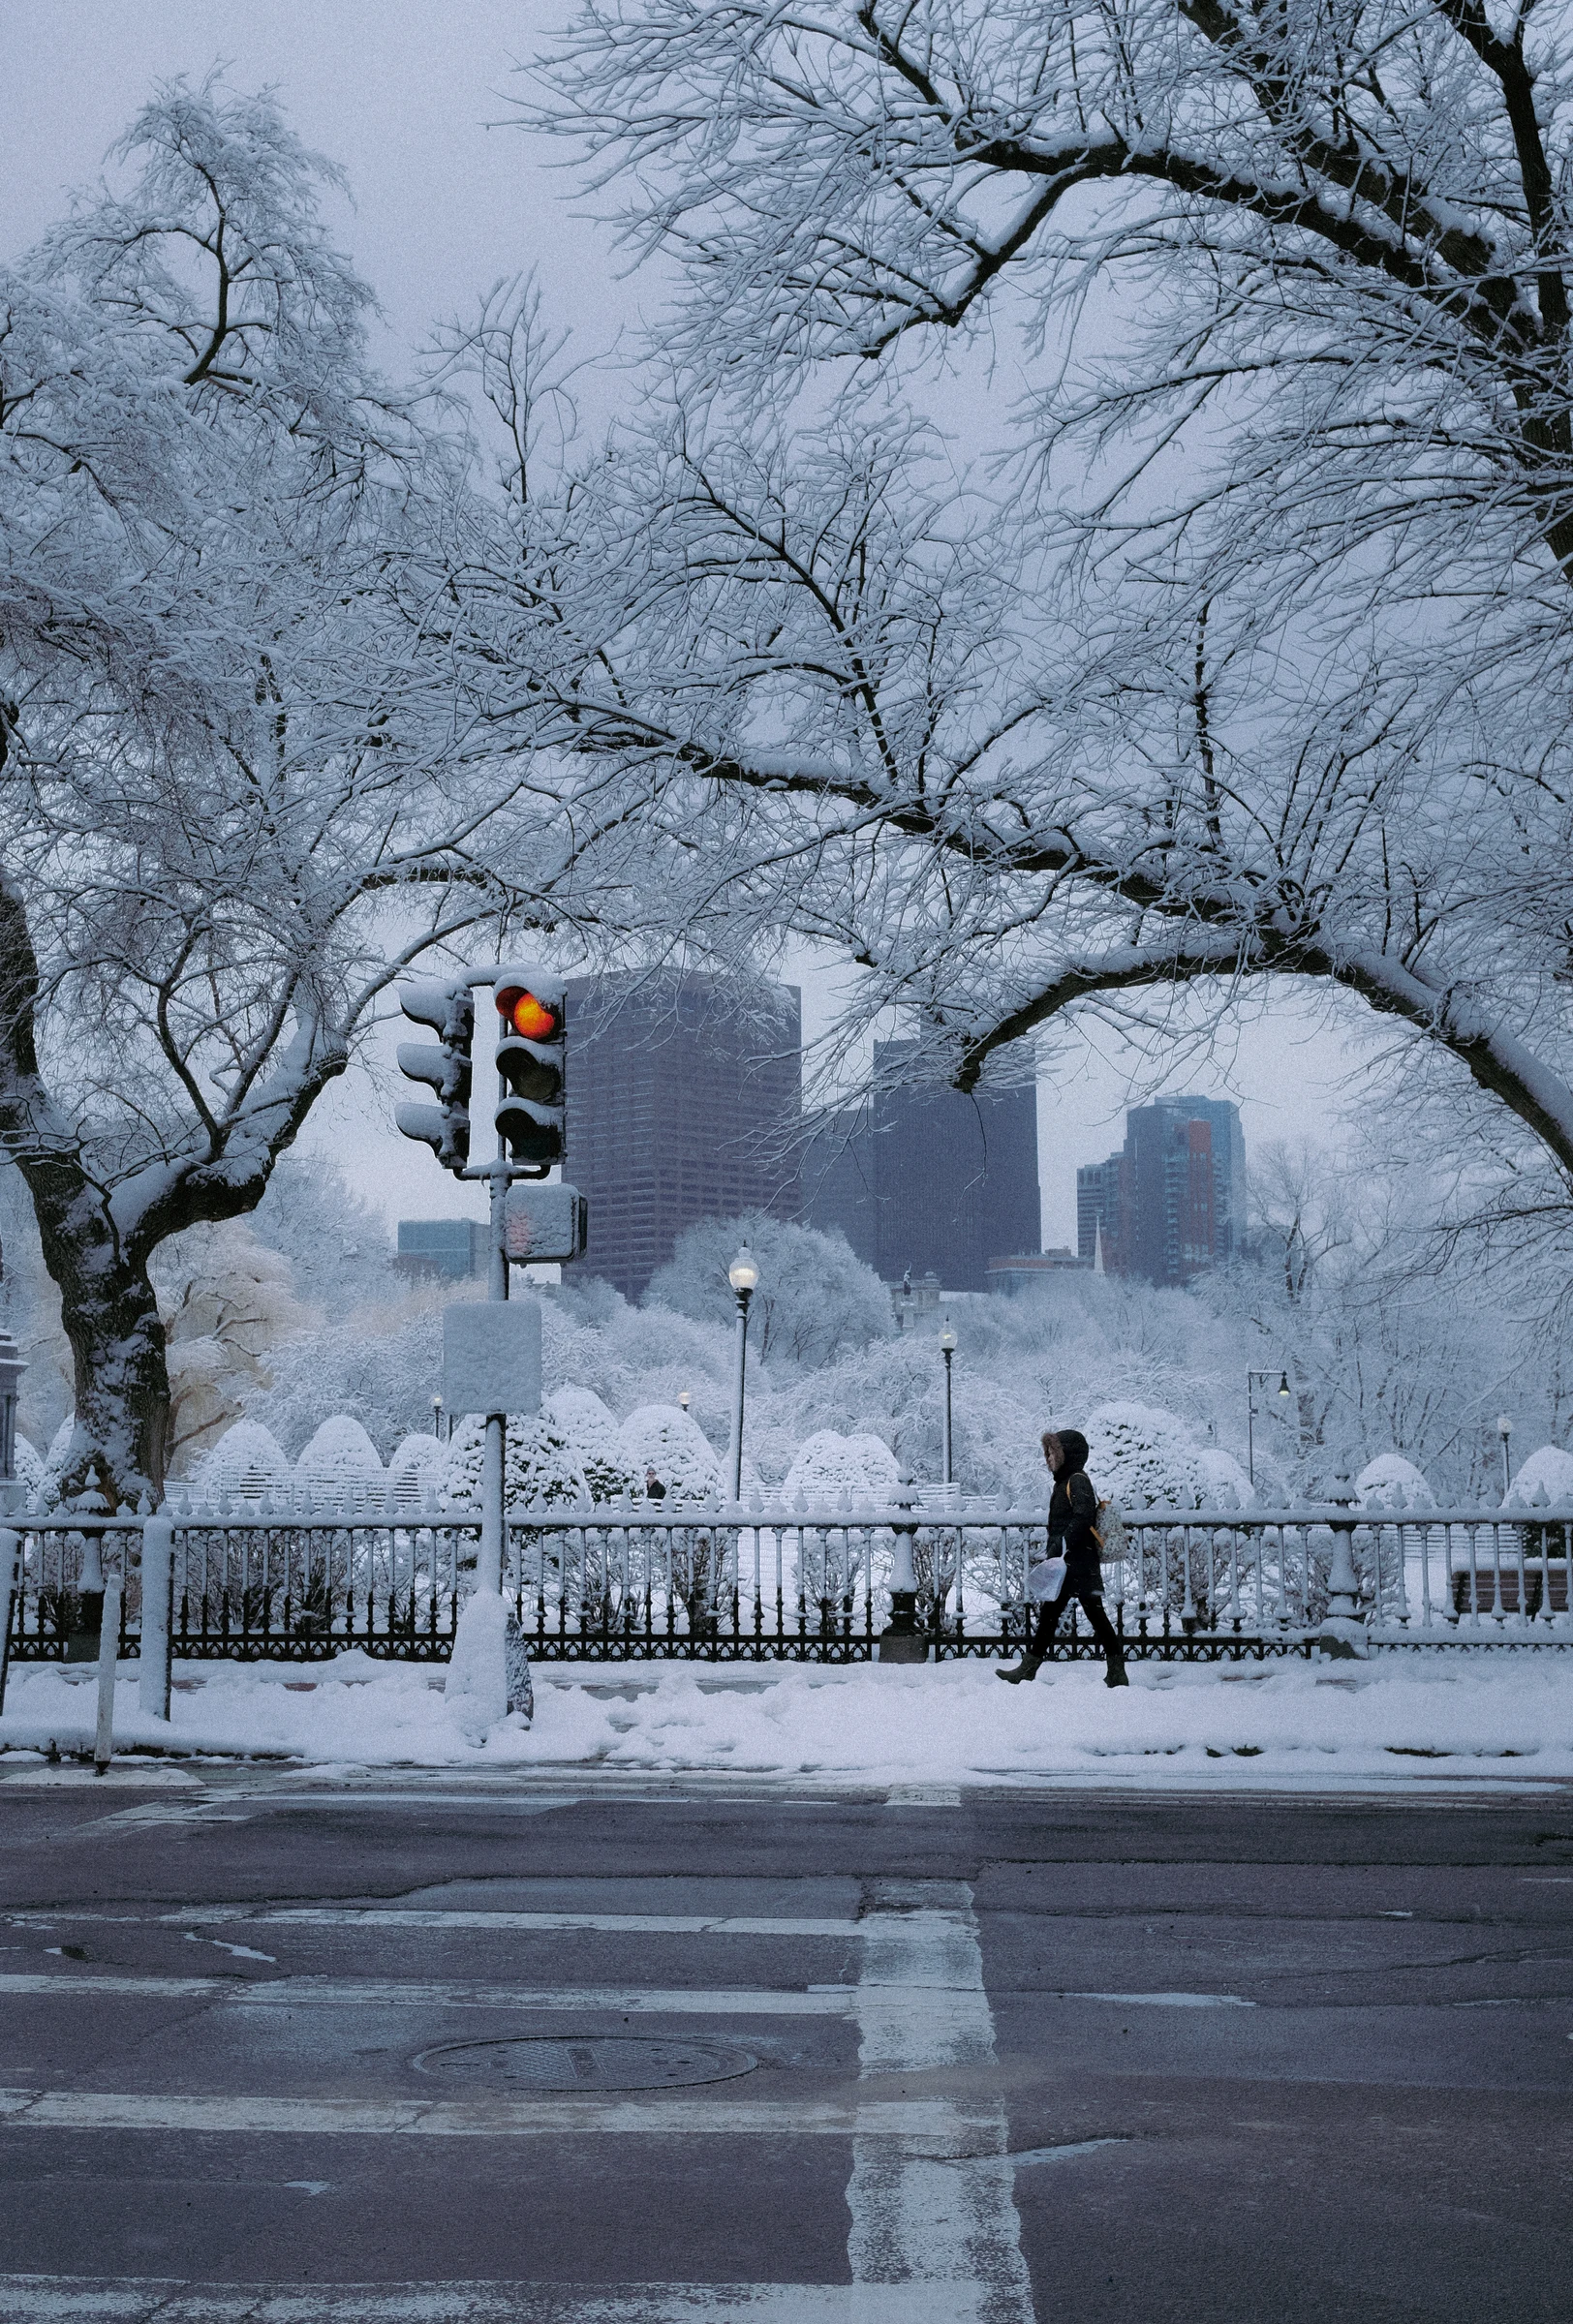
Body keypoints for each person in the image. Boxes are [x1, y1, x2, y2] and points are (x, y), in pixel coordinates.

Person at [998, 1427, 1128, 1688]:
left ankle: (1030, 1669)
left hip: (1076, 1564)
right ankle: (1115, 1670)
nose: (1048, 1459)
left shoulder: (1076, 1480)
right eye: (1047, 1453)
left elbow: (1083, 1517)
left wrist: (1061, 1545)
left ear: (1067, 1454)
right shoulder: (1067, 1481)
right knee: (1061, 1614)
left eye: (1052, 1453)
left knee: (1084, 1616)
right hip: (1074, 1563)